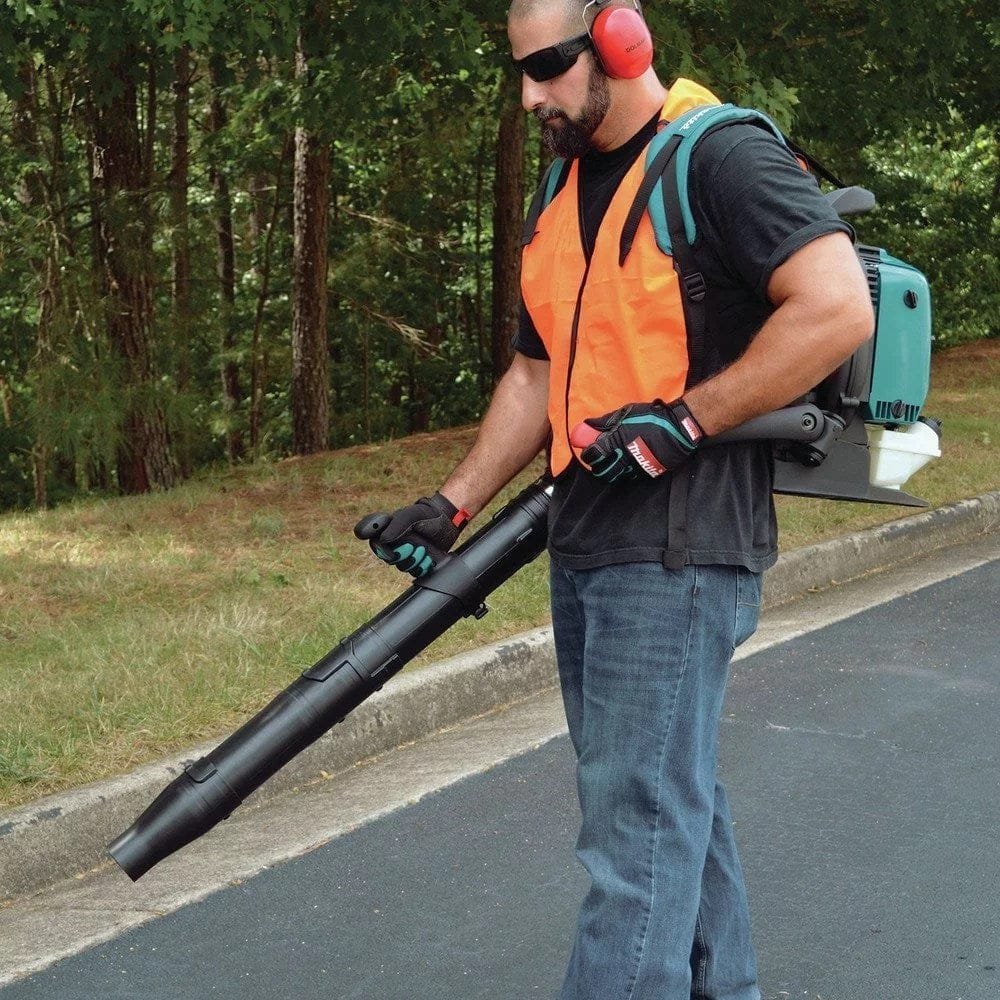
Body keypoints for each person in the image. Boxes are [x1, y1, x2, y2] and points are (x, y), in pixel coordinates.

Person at [359, 1, 874, 997]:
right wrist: (452, 503)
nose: (529, 95)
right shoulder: (561, 185)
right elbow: (534, 370)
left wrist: (688, 419)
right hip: (587, 534)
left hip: (681, 542)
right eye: (520, 70)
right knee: (667, 799)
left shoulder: (720, 156)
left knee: (633, 829)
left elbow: (836, 305)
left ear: (620, 39)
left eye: (546, 66)